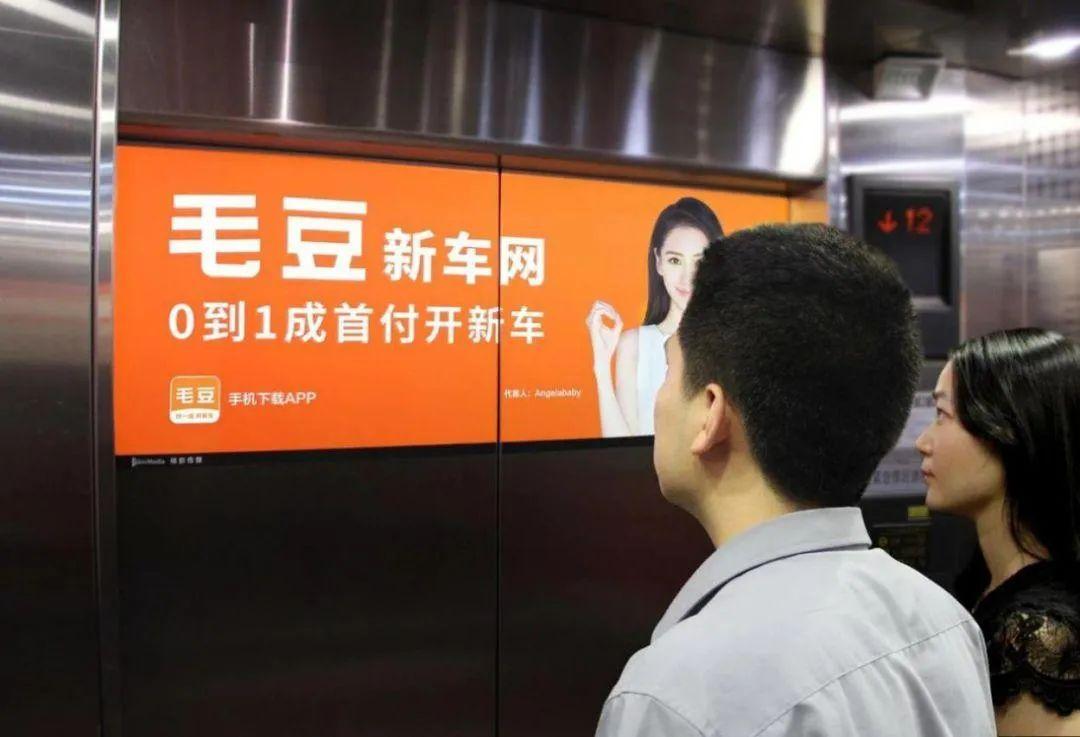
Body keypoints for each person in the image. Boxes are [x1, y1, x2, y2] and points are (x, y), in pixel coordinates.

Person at [596, 224, 994, 737]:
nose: (659, 399)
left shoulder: (672, 697)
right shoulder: (947, 623)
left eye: (669, 373)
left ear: (711, 413)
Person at [916, 328, 1080, 736]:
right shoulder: (985, 580)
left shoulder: (1038, 634)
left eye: (942, 415)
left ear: (1006, 432)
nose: (922, 442)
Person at [587, 198, 723, 437]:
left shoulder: (731, 344)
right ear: (658, 261)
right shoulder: (634, 345)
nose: (687, 277)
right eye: (675, 260)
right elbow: (621, 448)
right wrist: (601, 368)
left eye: (700, 261)